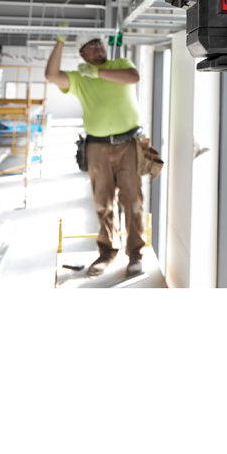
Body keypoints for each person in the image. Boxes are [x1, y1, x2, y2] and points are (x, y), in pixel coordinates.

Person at [44, 32, 146, 278]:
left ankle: (135, 254)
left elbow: (134, 77)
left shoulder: (120, 65)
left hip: (128, 143)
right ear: (82, 55)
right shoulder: (79, 78)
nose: (98, 47)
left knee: (133, 199)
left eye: (99, 43)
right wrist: (60, 40)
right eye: (91, 46)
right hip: (97, 147)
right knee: (103, 202)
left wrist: (98, 73)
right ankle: (107, 252)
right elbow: (51, 75)